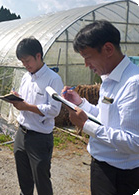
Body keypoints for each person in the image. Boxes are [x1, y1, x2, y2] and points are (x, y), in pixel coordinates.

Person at [62, 20, 139, 195]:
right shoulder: (109, 78)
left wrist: (86, 126)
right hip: (102, 166)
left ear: (108, 49)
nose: (86, 65)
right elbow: (105, 118)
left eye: (88, 57)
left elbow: (135, 142)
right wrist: (80, 103)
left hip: (120, 175)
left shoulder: (133, 84)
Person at [11, 37, 63, 195]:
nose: (25, 65)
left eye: (27, 60)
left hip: (40, 138)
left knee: (41, 180)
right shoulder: (26, 76)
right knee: (24, 178)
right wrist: (16, 98)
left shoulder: (53, 79)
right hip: (22, 133)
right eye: (22, 62)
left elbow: (54, 110)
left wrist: (27, 107)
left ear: (38, 56)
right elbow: (24, 99)